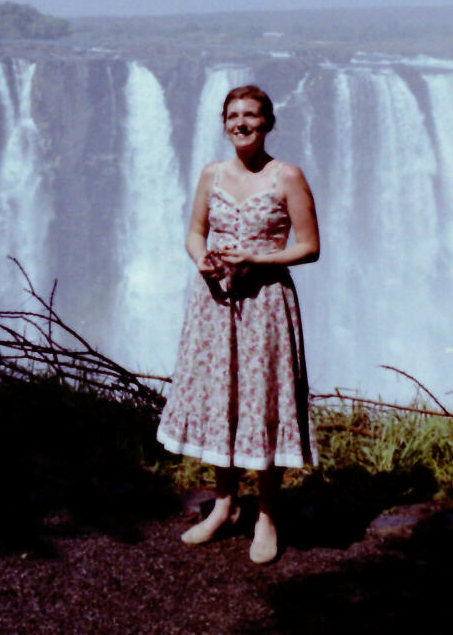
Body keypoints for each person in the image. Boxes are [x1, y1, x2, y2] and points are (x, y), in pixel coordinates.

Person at [155, 84, 321, 564]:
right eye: (233, 116)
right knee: (219, 395)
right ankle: (225, 506)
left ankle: (268, 514)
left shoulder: (287, 176)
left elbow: (310, 247)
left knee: (265, 398)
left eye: (251, 115)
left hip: (266, 302)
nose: (241, 123)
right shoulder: (212, 174)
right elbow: (194, 232)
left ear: (268, 123)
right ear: (224, 123)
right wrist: (199, 261)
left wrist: (258, 257)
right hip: (215, 302)